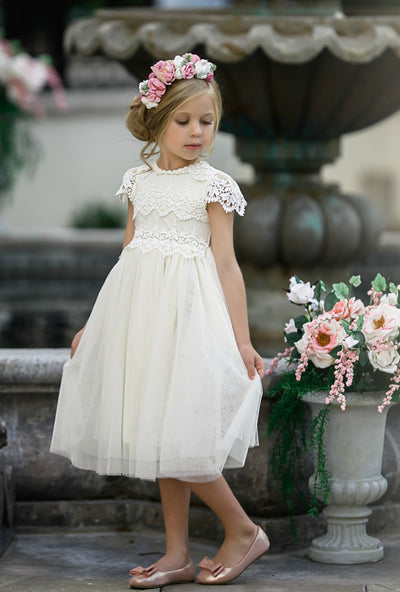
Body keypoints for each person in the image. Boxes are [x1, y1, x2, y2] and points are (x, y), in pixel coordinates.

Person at [50, 53, 269, 588]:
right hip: (142, 319)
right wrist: (95, 326)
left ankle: (243, 530)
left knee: (186, 437)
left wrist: (241, 342)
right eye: (184, 120)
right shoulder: (138, 181)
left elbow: (226, 265)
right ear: (157, 118)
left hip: (189, 321)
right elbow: (128, 254)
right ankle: (176, 554)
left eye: (207, 122)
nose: (197, 132)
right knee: (161, 434)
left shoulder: (211, 186)